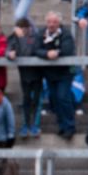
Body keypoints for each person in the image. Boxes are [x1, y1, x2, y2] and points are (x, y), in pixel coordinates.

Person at [36, 12, 77, 140]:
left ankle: (70, 127)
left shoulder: (66, 33)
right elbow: (36, 49)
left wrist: (56, 53)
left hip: (65, 72)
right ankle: (62, 125)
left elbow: (67, 50)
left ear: (59, 22)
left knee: (63, 97)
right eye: (49, 22)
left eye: (54, 22)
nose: (51, 24)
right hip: (49, 73)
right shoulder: (41, 32)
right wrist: (47, 53)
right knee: (54, 99)